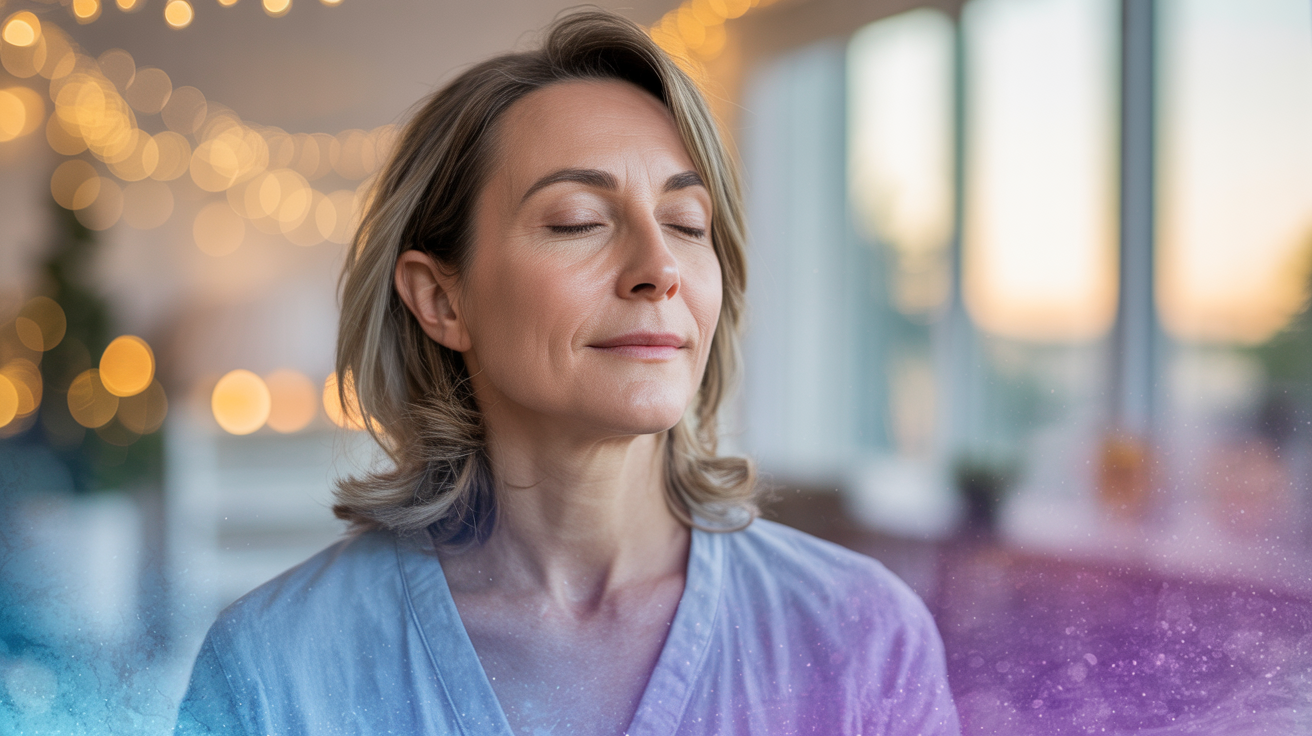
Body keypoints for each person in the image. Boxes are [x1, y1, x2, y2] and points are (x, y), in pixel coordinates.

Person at [173, 9, 960, 736]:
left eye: (688, 225)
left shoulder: (863, 638)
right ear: (441, 299)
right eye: (579, 221)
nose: (660, 268)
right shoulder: (274, 673)